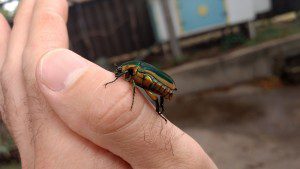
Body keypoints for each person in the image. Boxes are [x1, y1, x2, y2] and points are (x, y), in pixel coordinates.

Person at [0, 0, 217, 168]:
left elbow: (144, 84)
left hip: (162, 84)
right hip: (160, 86)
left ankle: (158, 111)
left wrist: (126, 102)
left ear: (130, 69)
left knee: (147, 93)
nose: (120, 74)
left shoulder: (136, 73)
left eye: (122, 72)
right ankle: (158, 110)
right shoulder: (131, 74)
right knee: (149, 95)